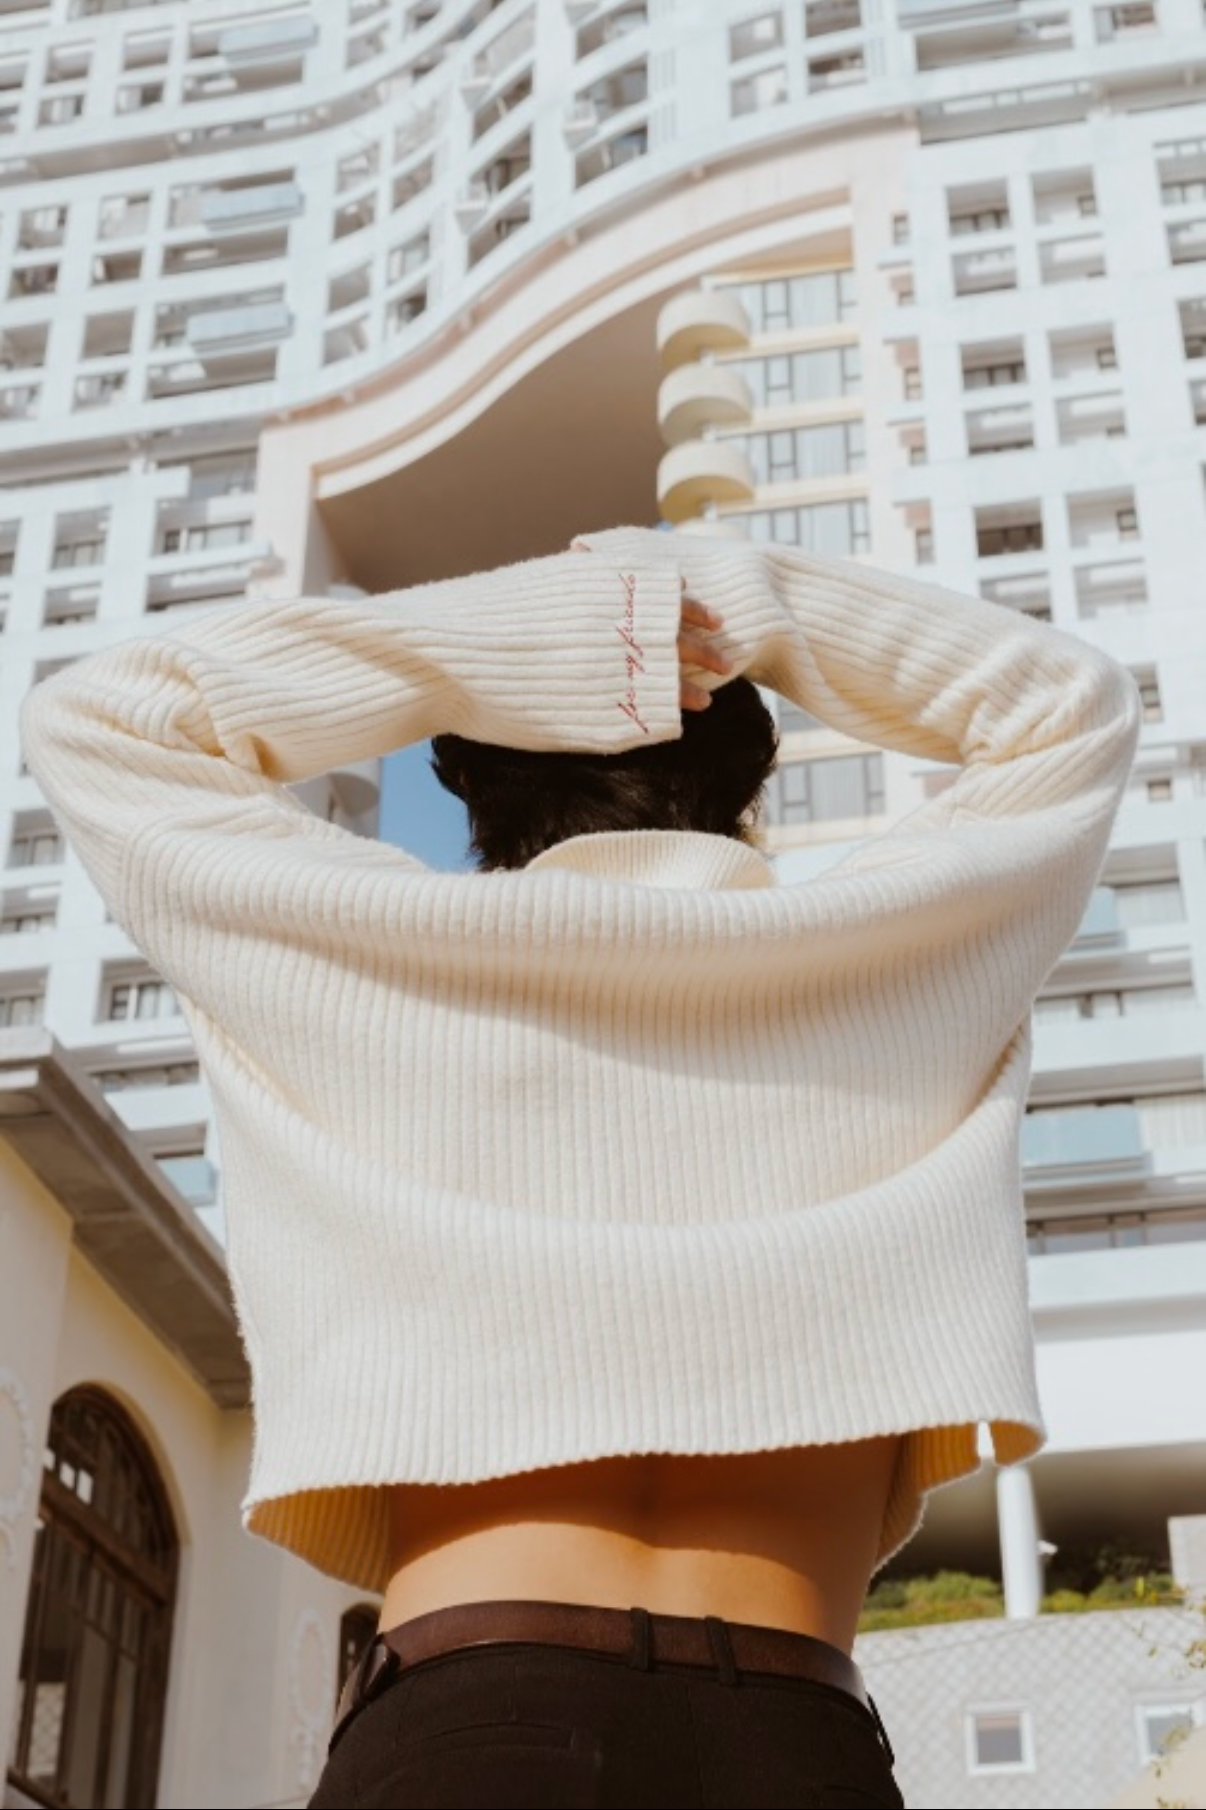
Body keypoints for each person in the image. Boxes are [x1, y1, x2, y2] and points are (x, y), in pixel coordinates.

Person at [19, 524, 1139, 1809]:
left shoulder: (359, 957)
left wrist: (536, 634)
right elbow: (1068, 700)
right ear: (747, 780)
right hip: (794, 1741)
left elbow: (101, 716)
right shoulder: (899, 952)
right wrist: (720, 595)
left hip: (463, 1727)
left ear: (476, 789)